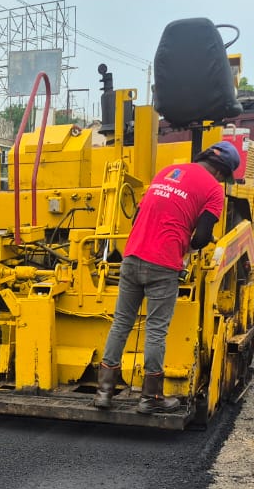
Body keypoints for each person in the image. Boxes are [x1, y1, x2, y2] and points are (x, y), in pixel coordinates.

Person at [94, 140, 240, 415]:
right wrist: (189, 248)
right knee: (155, 330)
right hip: (163, 265)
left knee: (121, 323)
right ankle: (150, 398)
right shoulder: (213, 191)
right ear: (223, 173)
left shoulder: (165, 173)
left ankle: (104, 393)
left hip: (132, 256)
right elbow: (202, 236)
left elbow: (138, 215)